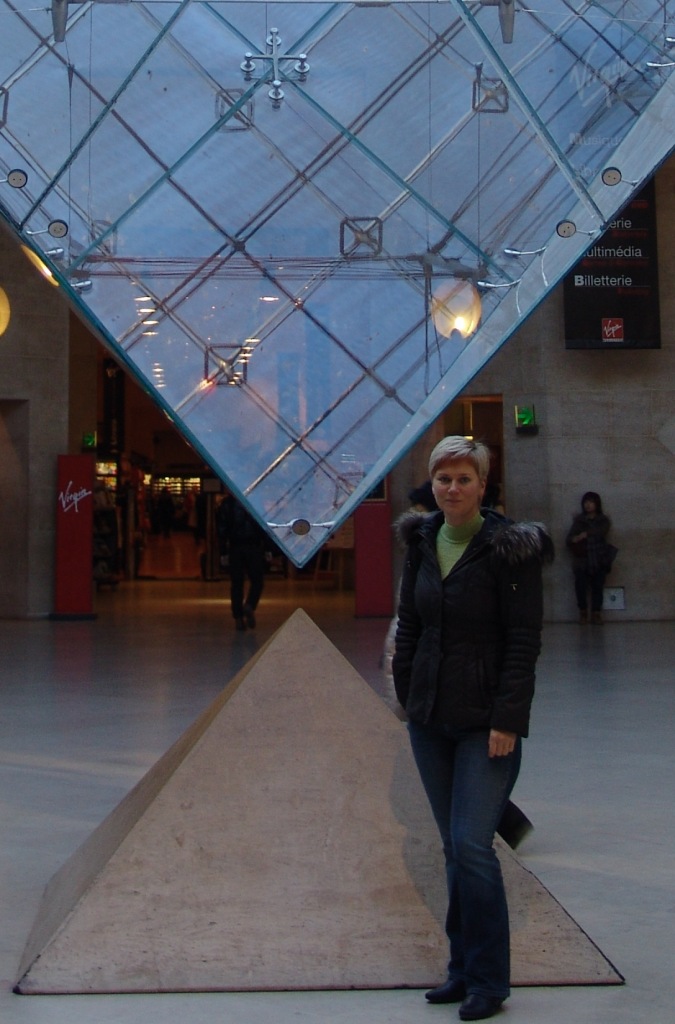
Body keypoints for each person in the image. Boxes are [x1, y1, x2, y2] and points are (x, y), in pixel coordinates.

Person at [392, 436, 553, 1022]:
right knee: (453, 850)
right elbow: (410, 623)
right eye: (444, 479)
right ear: (432, 484)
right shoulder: (421, 541)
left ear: (483, 486)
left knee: (472, 846)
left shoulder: (510, 550)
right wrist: (408, 694)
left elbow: (523, 642)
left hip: (486, 725)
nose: (453, 488)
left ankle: (489, 979)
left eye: (464, 479)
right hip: (430, 719)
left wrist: (508, 719)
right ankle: (461, 969)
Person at [216, 494, 266, 631]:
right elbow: (263, 526)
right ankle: (250, 605)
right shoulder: (255, 501)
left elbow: (221, 528)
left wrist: (223, 551)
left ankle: (238, 617)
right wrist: (268, 548)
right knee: (257, 580)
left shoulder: (227, 504)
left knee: (237, 583)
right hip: (254, 546)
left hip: (235, 546)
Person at [565, 491, 612, 624]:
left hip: (598, 558)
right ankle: (583, 612)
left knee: (598, 587)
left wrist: (586, 534)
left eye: (591, 502)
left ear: (597, 504)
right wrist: (574, 539)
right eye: (586, 502)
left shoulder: (603, 520)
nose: (588, 505)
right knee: (580, 587)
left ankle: (596, 613)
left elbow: (601, 531)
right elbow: (568, 539)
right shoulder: (579, 521)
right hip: (582, 560)